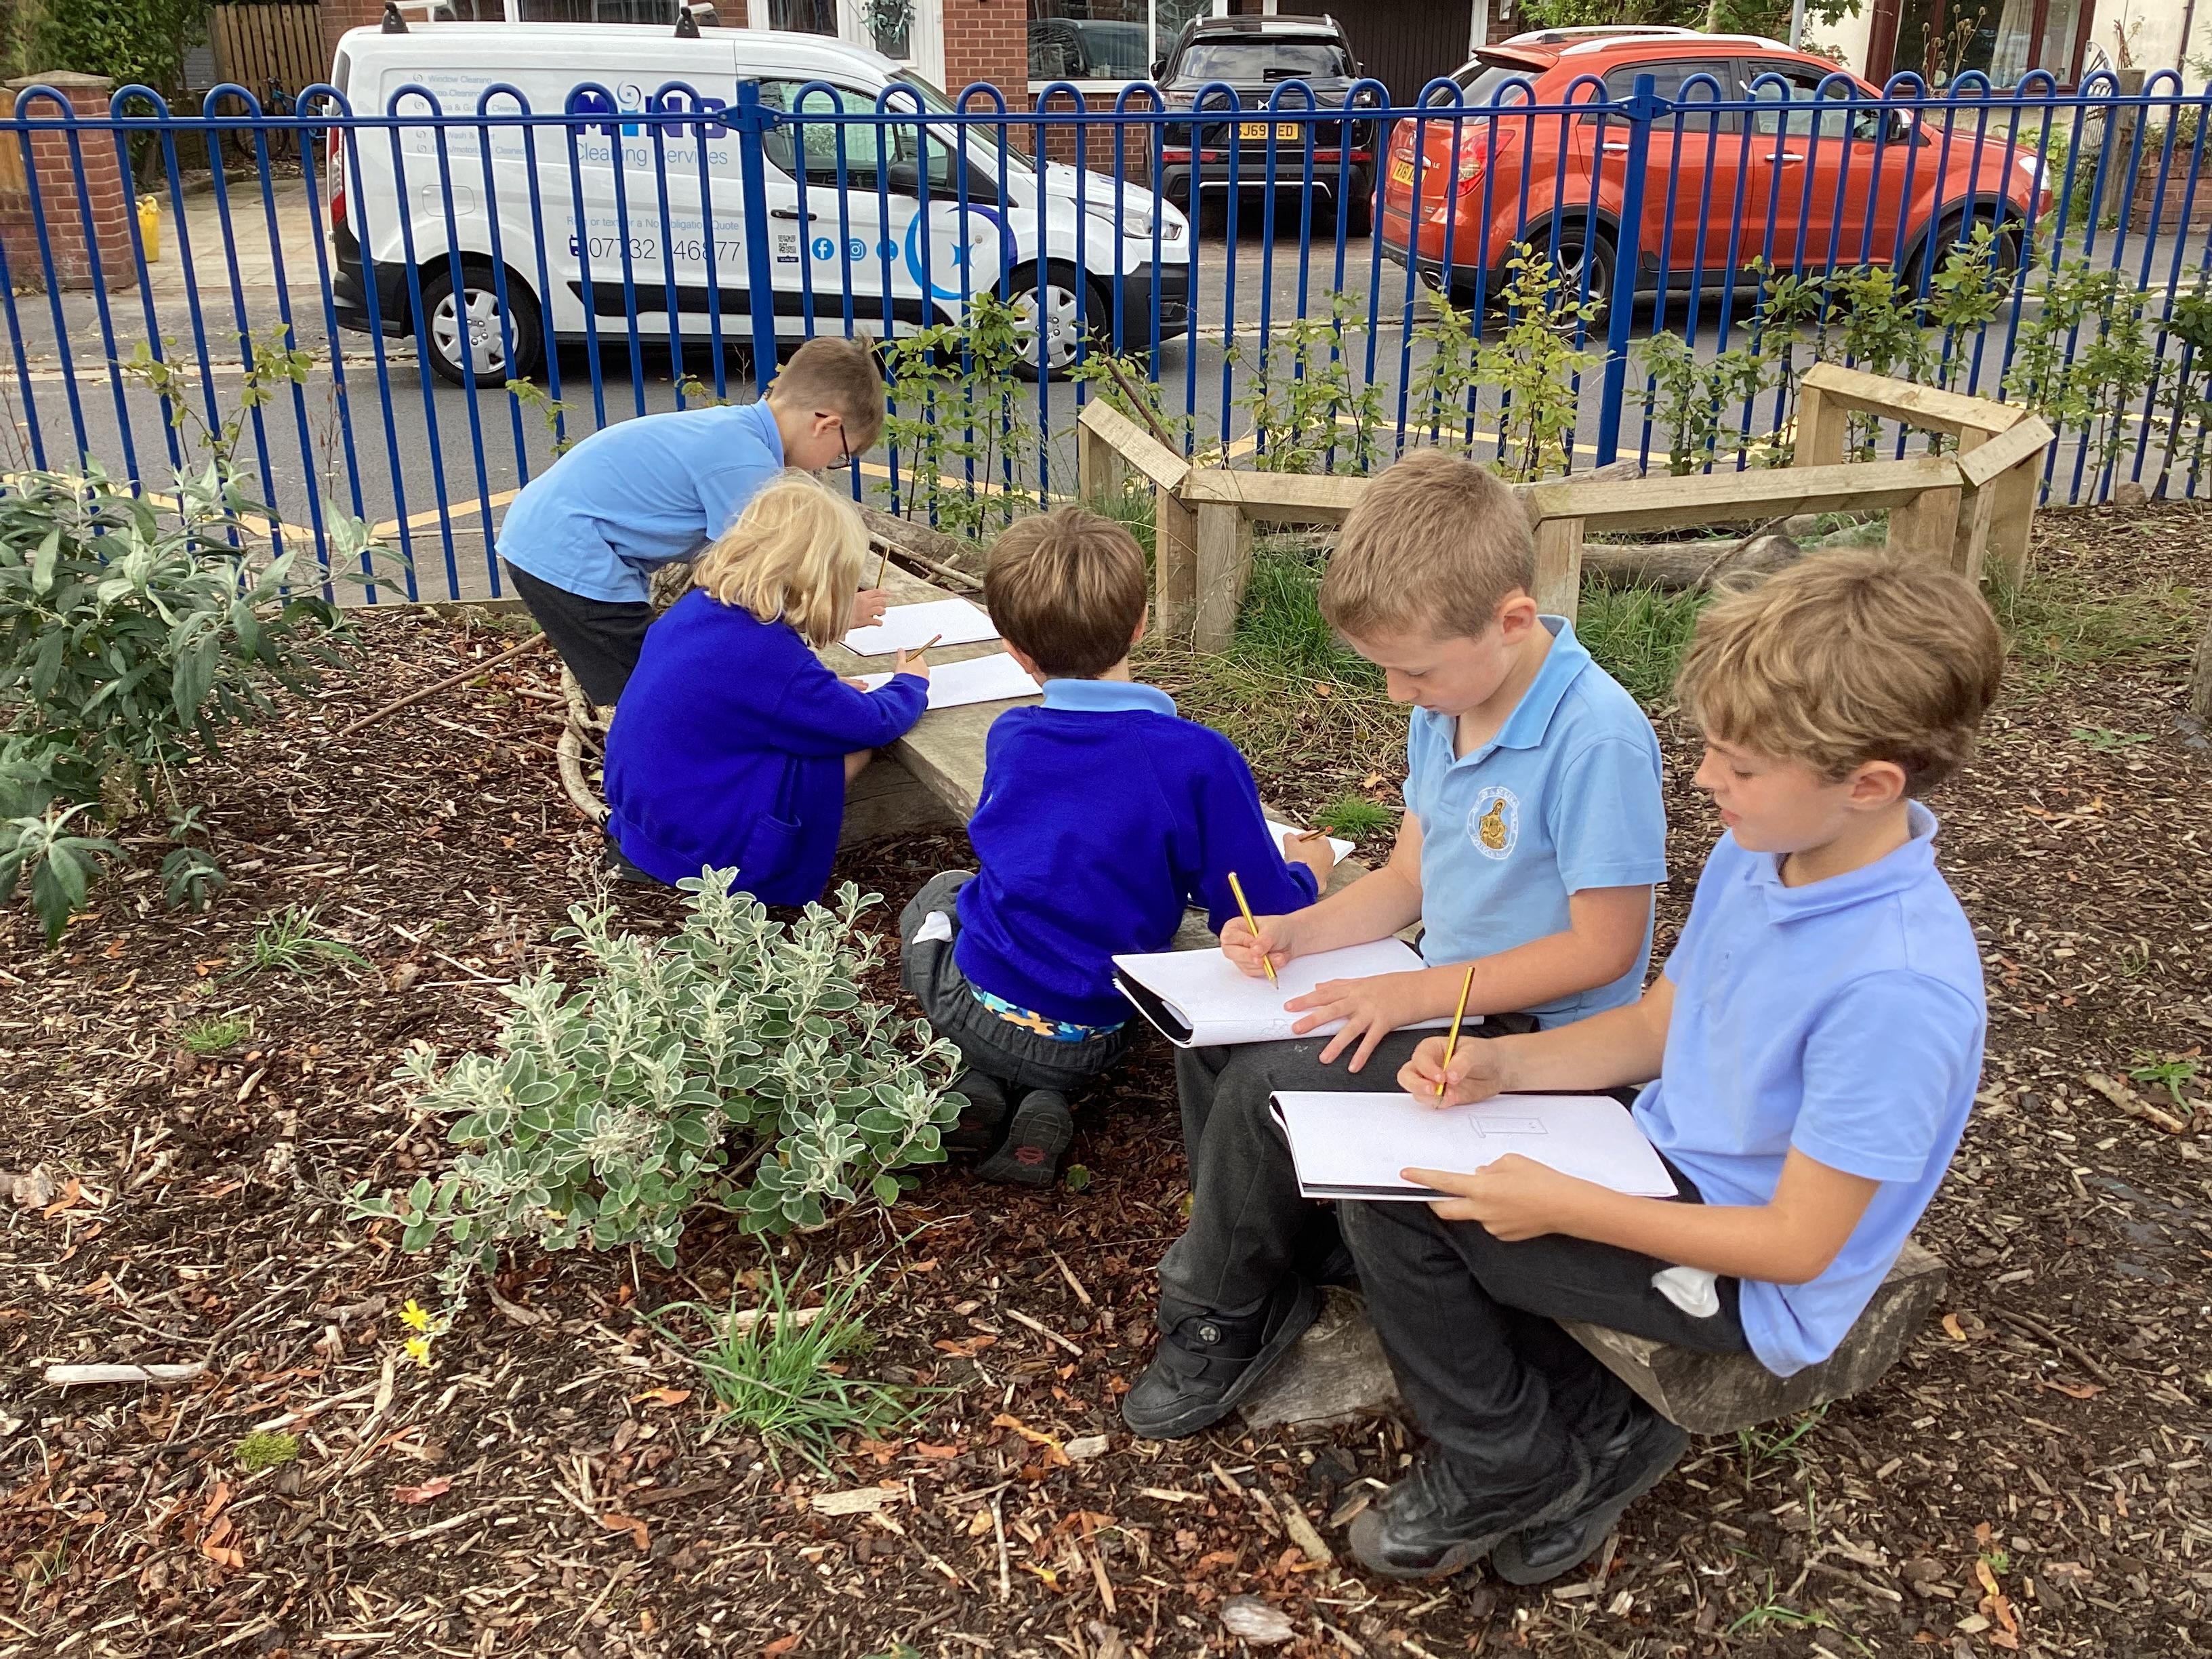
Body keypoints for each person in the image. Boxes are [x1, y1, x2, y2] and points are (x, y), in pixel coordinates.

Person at [1341, 551, 2003, 1585]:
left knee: (1405, 1209)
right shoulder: (1762, 853)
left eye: (1741, 766)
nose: (1703, 779)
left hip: (1746, 1273)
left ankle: (1504, 1461)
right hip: (1653, 1155)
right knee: (1396, 1160)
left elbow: (1796, 1247)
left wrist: (1565, 1205)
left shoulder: (1899, 990)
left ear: (1870, 786)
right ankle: (1603, 1429)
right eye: (1712, 750)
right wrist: (1501, 1068)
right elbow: (1659, 1027)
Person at [1122, 449, 1669, 1439]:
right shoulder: (1448, 704)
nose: (1394, 693)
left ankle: (1222, 1312)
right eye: (1383, 669)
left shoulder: (1599, 738)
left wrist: (1413, 996)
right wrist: (1297, 931)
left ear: (1512, 620)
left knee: (1269, 1085)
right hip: (1442, 995)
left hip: (1539, 1044)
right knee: (1214, 1046)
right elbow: (1408, 881)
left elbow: (1604, 949)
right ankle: (1279, 1255)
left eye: (1412, 669)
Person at [899, 508, 1334, 1187]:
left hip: (970, 1009)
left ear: (1014, 650)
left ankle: (979, 1081)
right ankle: (1047, 1097)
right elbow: (1255, 911)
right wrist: (1306, 874)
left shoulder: (1012, 734)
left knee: (941, 894)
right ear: (1140, 623)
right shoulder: (1198, 759)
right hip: (1092, 1033)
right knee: (1057, 956)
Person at [498, 334, 889, 708]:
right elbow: (752, 595)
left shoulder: (736, 432)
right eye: (842, 455)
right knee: (657, 690)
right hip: (568, 554)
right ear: (826, 425)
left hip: (554, 539)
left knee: (665, 679)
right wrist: (812, 676)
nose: (832, 465)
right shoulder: (747, 467)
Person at [602, 474, 930, 904]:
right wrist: (910, 683)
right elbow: (869, 723)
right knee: (851, 749)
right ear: (820, 581)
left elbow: (747, 696)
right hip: (702, 845)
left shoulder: (700, 608)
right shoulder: (765, 652)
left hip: (643, 815)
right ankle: (765, 871)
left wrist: (816, 692)